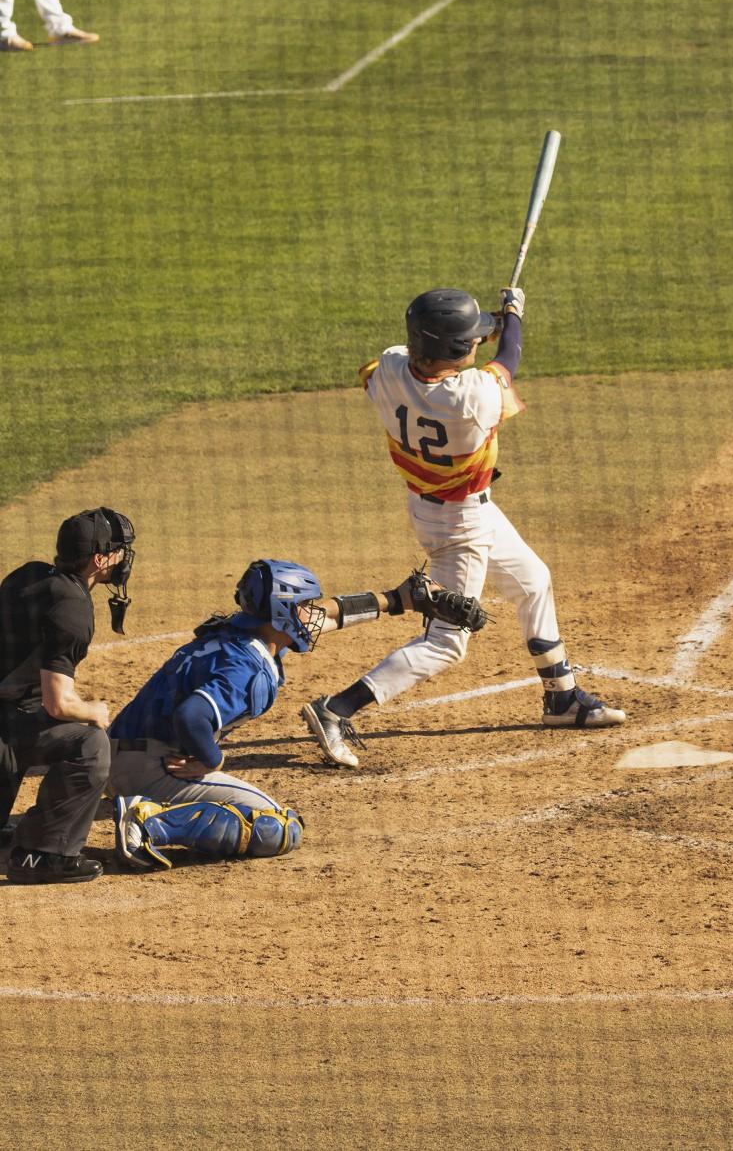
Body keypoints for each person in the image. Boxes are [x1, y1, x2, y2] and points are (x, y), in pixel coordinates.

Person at [300, 287, 625, 770]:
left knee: (532, 580)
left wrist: (489, 323)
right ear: (458, 349)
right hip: (462, 525)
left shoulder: (389, 368)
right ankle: (336, 710)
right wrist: (513, 315)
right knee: (447, 643)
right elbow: (508, 356)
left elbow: (457, 352)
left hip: (441, 506)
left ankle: (562, 697)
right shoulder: (473, 399)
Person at [109, 557, 450, 870]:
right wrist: (211, 759)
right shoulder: (248, 669)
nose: (313, 613)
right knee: (278, 826)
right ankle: (148, 822)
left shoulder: (235, 632)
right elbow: (192, 716)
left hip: (110, 758)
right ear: (282, 613)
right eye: (304, 605)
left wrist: (396, 600)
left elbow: (329, 615)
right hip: (156, 769)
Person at [0, 507, 136, 885]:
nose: (124, 557)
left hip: (7, 716)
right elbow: (58, 704)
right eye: (119, 550)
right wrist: (94, 711)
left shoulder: (29, 575)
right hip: (8, 727)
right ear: (100, 559)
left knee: (23, 715)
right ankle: (43, 855)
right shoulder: (72, 606)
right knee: (90, 743)